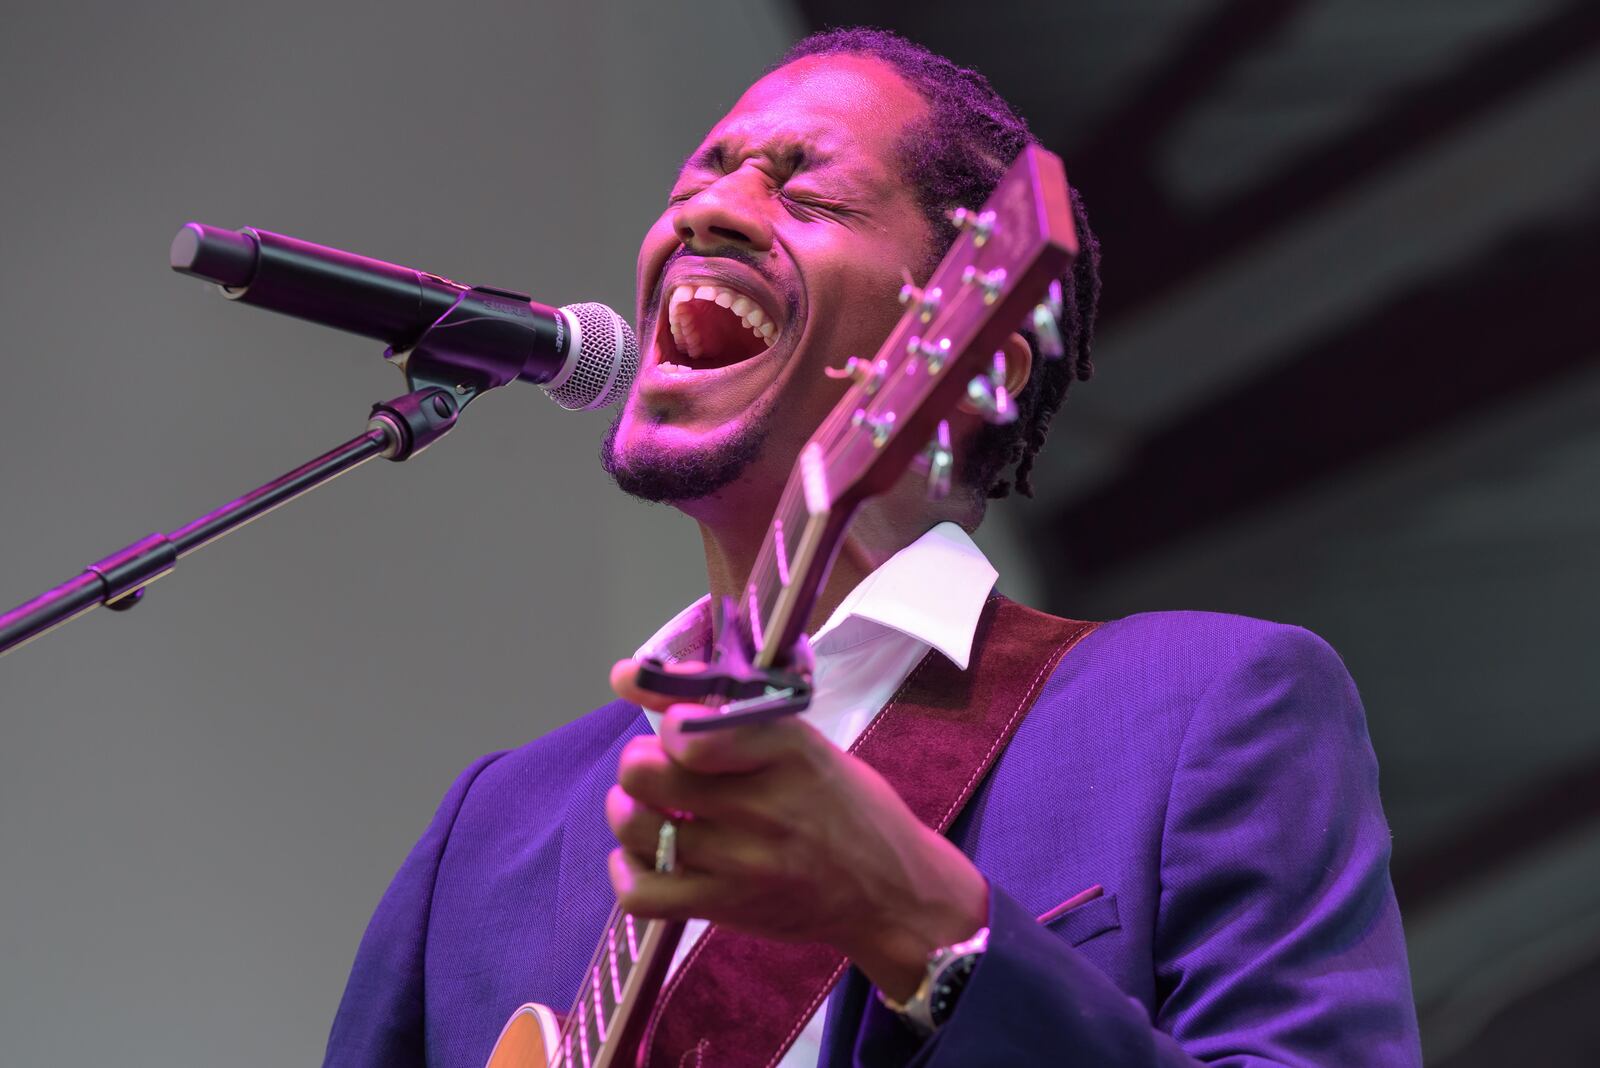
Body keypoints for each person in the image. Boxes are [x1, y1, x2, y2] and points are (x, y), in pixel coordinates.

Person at [323, 28, 1423, 1067]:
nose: (713, 213)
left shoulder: (1202, 705)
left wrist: (925, 927)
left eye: (805, 189)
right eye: (697, 177)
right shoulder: (492, 833)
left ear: (963, 333)